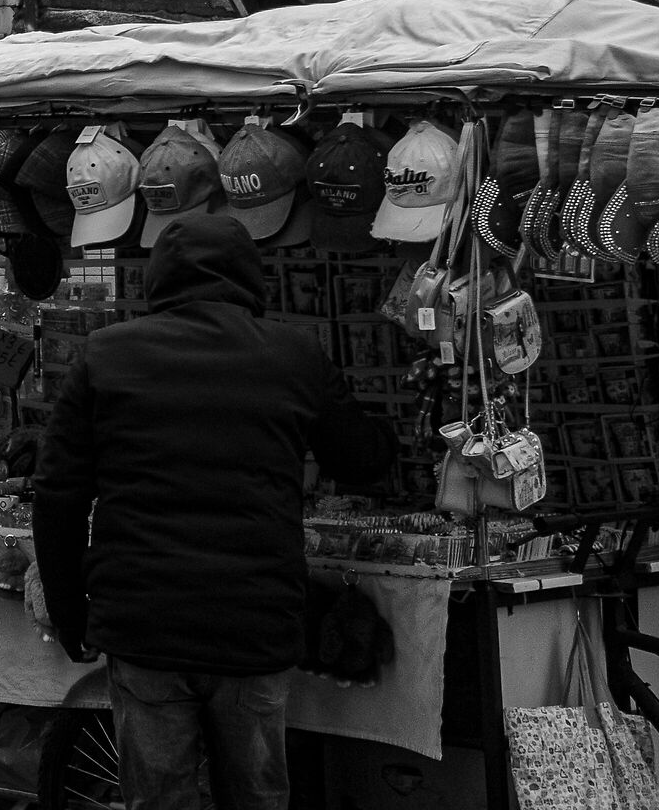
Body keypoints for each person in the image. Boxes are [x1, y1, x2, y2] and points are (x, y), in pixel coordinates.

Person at [33, 215, 395, 810]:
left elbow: (58, 497)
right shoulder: (292, 355)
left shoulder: (106, 355)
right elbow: (359, 458)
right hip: (253, 624)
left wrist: (73, 617)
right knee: (255, 797)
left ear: (159, 278)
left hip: (144, 623)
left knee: (158, 800)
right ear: (250, 276)